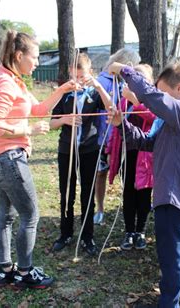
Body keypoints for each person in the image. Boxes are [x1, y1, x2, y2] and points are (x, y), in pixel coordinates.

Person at [108, 60, 180, 307]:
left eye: (164, 93)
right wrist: (122, 125)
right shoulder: (174, 121)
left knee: (172, 255)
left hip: (175, 196)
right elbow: (146, 143)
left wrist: (125, 70)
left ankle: (170, 303)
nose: (160, 98)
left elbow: (151, 97)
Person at [0, 30, 79, 289]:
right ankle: (25, 273)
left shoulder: (15, 81)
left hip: (3, 158)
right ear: (19, 55)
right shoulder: (5, 83)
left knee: (6, 216)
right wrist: (29, 130)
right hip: (8, 158)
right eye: (34, 57)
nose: (37, 62)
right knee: (30, 215)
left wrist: (62, 89)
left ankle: (4, 271)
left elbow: (38, 110)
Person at [50, 53, 113, 256]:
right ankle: (65, 234)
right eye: (75, 76)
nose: (78, 80)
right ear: (70, 74)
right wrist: (64, 119)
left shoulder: (94, 93)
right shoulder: (64, 93)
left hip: (89, 148)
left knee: (88, 194)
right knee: (67, 194)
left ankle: (87, 237)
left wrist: (98, 86)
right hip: (67, 149)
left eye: (82, 76)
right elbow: (51, 123)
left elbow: (111, 108)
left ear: (90, 73)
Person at [107, 64, 156, 250]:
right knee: (128, 193)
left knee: (144, 195)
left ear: (148, 82)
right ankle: (129, 231)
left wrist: (137, 103)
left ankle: (140, 231)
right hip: (127, 155)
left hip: (146, 156)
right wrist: (109, 150)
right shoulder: (123, 101)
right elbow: (115, 128)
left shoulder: (153, 101)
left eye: (140, 78)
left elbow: (153, 118)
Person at [93, 48, 141, 225]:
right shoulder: (102, 81)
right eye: (132, 66)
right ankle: (99, 208)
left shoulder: (123, 83)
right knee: (101, 173)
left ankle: (127, 207)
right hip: (103, 138)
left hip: (122, 138)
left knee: (124, 173)